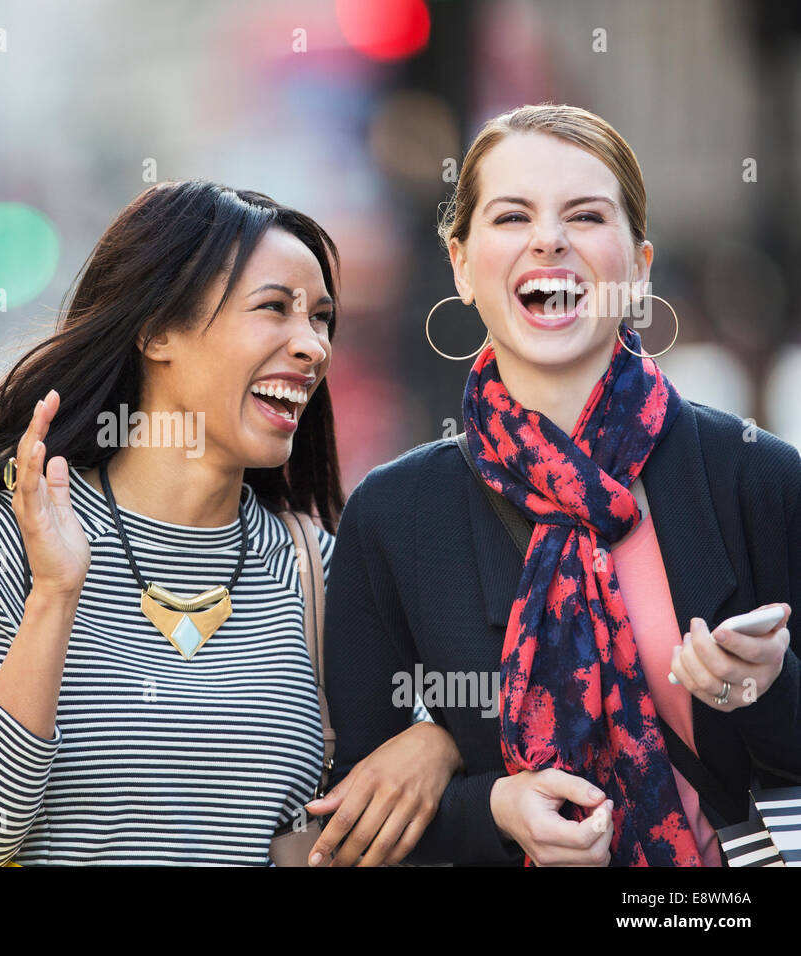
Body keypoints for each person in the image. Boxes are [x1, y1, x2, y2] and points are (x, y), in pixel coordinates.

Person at [0, 180, 461, 866]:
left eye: (320, 319)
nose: (313, 346)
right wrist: (52, 596)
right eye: (274, 309)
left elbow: (464, 728)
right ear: (158, 330)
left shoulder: (318, 568)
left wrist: (439, 742)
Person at [319, 104, 799, 867]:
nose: (549, 239)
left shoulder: (760, 477)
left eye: (584, 214)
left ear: (638, 267)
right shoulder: (393, 515)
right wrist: (490, 809)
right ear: (461, 264)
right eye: (512, 216)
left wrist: (769, 690)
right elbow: (352, 821)